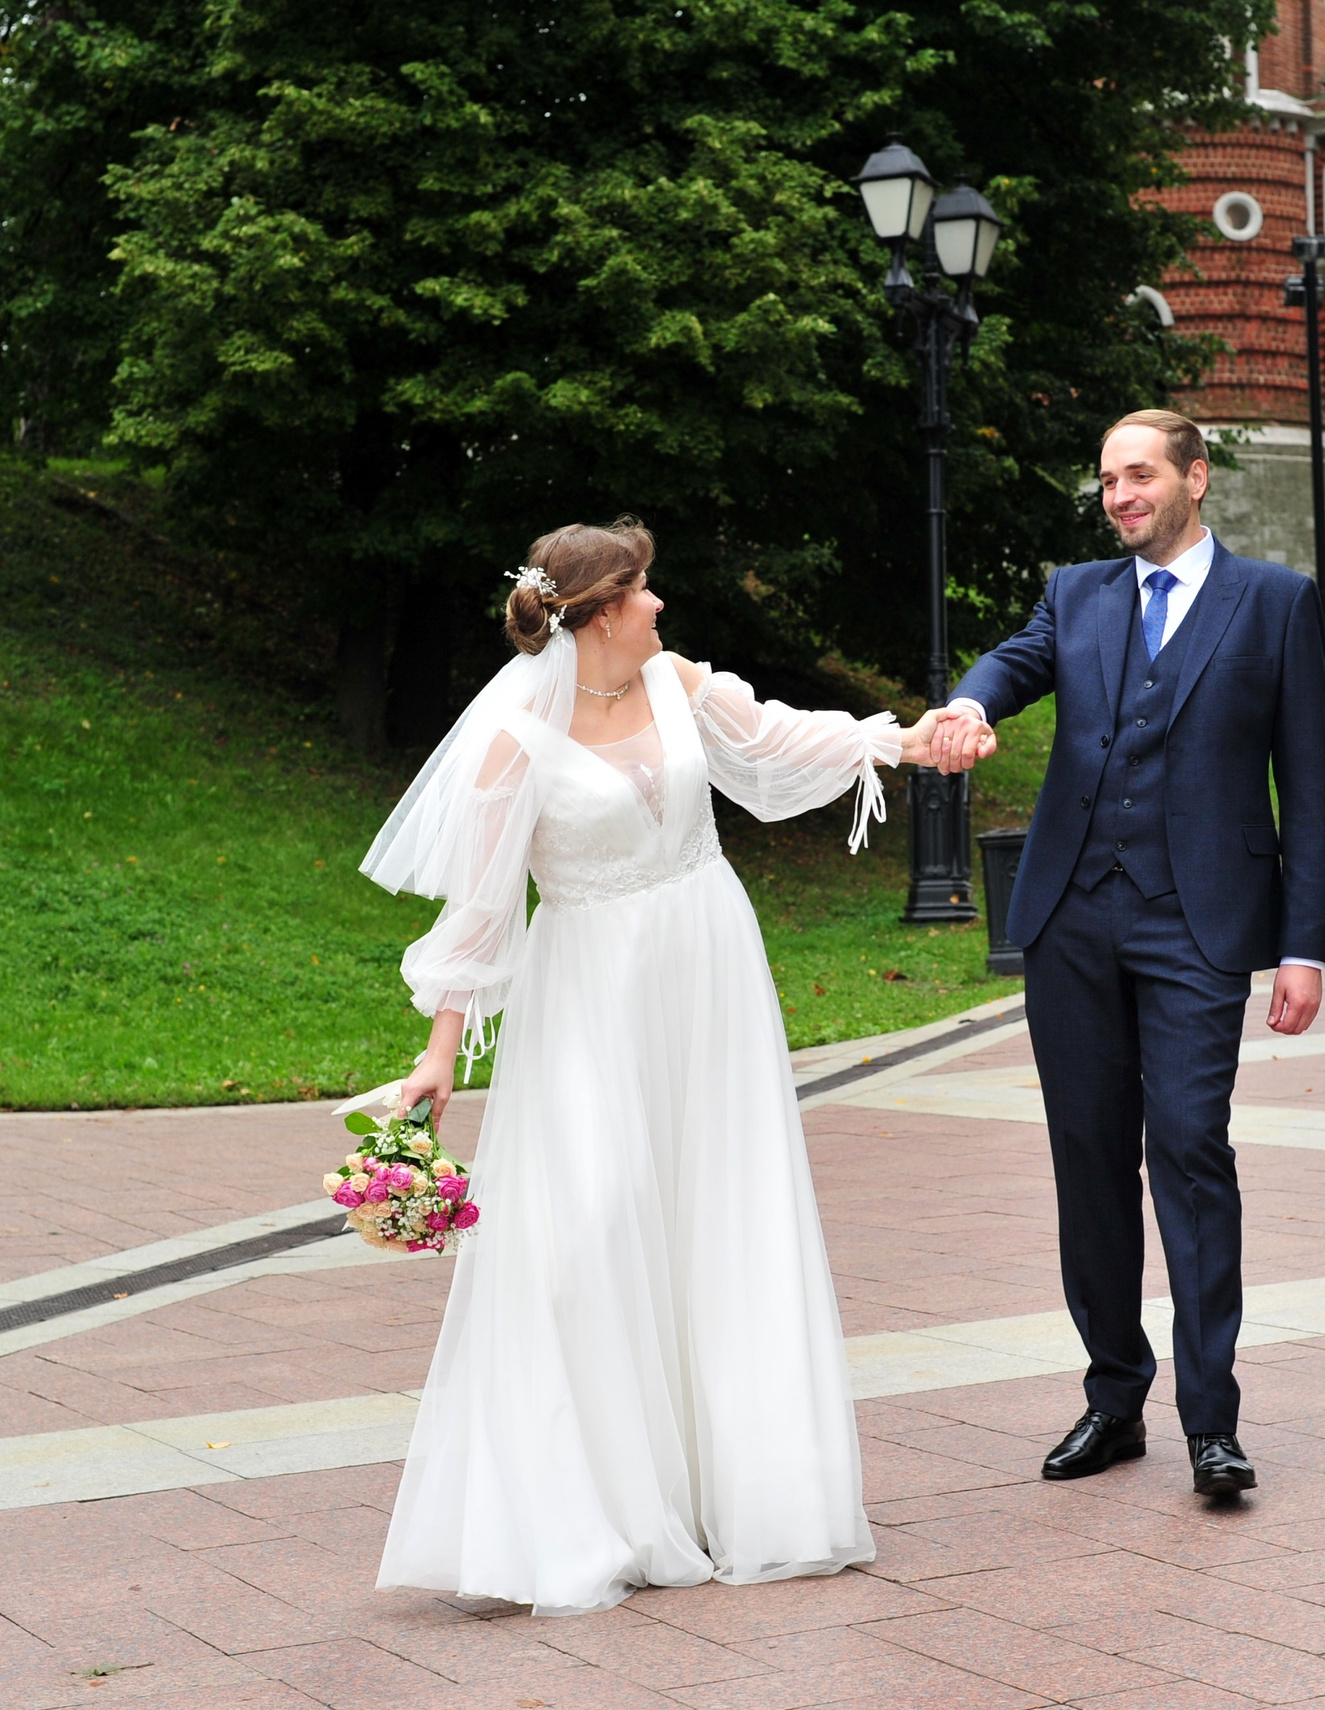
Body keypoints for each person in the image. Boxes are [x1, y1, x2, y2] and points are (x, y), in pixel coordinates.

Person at [362, 518, 976, 1616]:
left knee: (719, 1211)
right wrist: (438, 1055)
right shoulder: (514, 744)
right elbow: (481, 913)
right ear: (597, 610)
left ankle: (743, 1496)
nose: (659, 606)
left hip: (707, 972)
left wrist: (901, 741)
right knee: (590, 1226)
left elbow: (782, 739)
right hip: (589, 994)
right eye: (643, 592)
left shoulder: (677, 683)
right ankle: (594, 1506)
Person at [926, 409, 1325, 1500]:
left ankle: (1213, 1422)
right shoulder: (1078, 596)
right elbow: (1011, 665)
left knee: (1192, 1148)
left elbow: (1310, 784)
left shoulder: (1277, 603)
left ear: (1195, 478)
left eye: (1139, 474)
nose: (1119, 495)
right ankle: (1114, 1402)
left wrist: (1304, 948)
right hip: (1070, 922)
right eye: (1107, 479)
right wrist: (968, 702)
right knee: (1088, 1159)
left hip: (1198, 924)